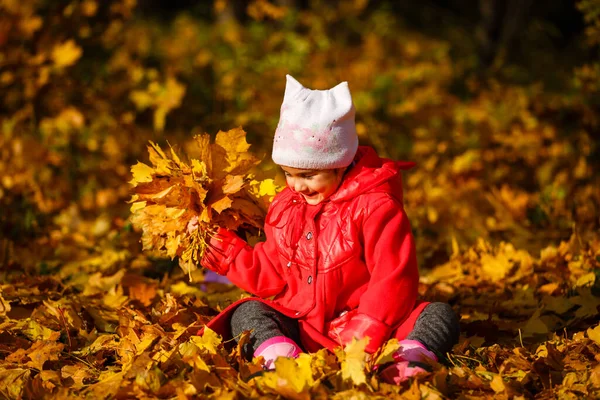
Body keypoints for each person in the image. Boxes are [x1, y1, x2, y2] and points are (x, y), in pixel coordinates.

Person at [196, 75, 460, 384]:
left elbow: (393, 277)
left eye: (308, 174)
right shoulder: (286, 206)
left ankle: (406, 362)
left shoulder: (375, 207)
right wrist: (222, 249)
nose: (296, 185)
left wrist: (365, 333)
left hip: (371, 329)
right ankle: (281, 360)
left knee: (439, 315)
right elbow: (270, 273)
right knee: (248, 312)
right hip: (304, 325)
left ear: (340, 162)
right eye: (288, 173)